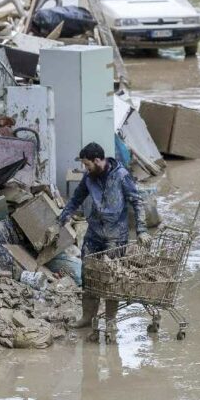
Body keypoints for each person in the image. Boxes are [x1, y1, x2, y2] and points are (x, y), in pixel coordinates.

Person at [58, 142, 150, 343]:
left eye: (87, 164)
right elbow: (76, 199)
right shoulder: (89, 178)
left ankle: (110, 320)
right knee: (89, 275)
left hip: (116, 235)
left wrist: (142, 230)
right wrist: (64, 216)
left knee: (112, 277)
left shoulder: (121, 175)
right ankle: (87, 316)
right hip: (94, 233)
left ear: (98, 160)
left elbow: (137, 201)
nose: (85, 168)